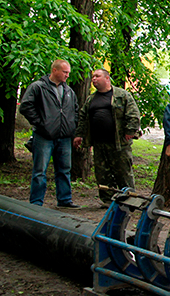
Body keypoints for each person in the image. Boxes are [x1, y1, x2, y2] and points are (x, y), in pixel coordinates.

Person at [73, 69, 141, 206]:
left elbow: (133, 115)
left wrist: (130, 131)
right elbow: (83, 117)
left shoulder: (122, 95)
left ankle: (129, 200)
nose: (94, 79)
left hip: (119, 142)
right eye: (93, 77)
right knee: (102, 173)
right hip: (99, 143)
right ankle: (107, 200)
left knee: (123, 172)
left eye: (97, 76)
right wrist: (79, 135)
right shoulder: (91, 99)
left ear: (107, 78)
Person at [19, 59, 79, 208]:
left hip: (64, 137)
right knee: (40, 170)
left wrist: (72, 126)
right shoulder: (38, 87)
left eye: (68, 73)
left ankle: (64, 200)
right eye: (65, 72)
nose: (67, 75)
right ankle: (36, 202)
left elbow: (75, 110)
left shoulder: (69, 91)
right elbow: (26, 106)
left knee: (64, 170)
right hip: (44, 136)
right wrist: (40, 123)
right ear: (55, 70)